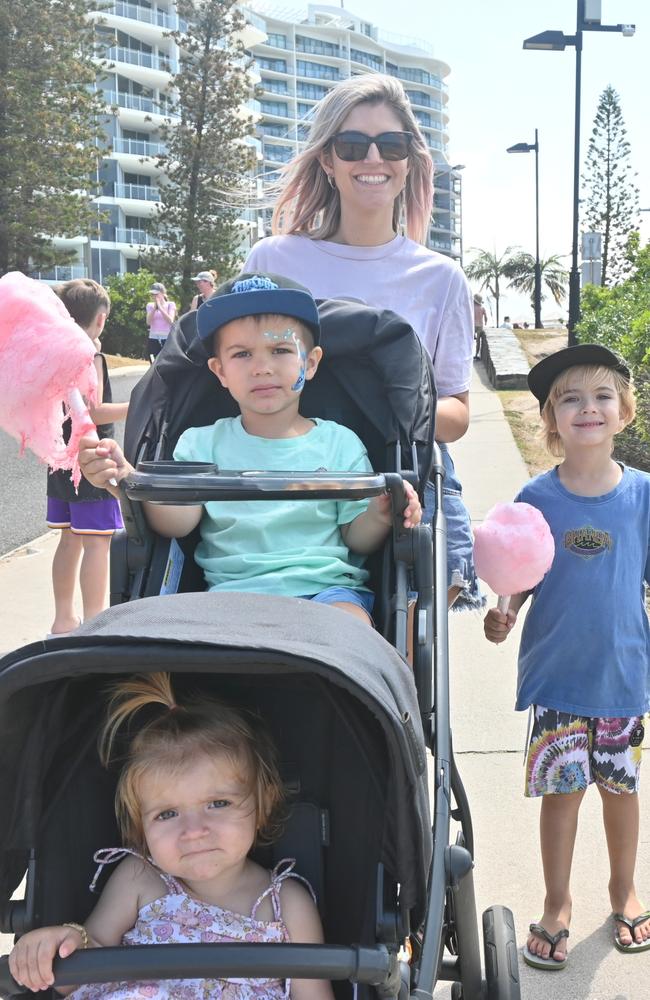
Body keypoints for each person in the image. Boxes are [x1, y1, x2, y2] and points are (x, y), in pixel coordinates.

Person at [243, 73, 480, 611]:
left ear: (410, 161)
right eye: (352, 145)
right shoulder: (274, 261)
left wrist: (381, 405)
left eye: (390, 144)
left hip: (402, 474)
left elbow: (458, 413)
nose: (372, 158)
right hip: (291, 475)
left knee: (412, 631)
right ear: (328, 160)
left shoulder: (440, 278)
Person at [78, 274, 421, 626]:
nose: (262, 367)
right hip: (231, 596)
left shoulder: (340, 443)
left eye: (281, 350)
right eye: (242, 354)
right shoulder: (201, 444)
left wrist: (382, 513)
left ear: (311, 362)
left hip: (326, 591)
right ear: (220, 370)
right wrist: (127, 480)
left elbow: (357, 538)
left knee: (352, 629)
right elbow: (177, 523)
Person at [9, 672, 333, 1000]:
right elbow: (88, 961)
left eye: (218, 803)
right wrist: (60, 944)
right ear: (141, 827)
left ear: (262, 805)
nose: (193, 831)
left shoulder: (286, 904)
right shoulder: (140, 878)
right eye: (167, 814)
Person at [483, 344, 650, 970]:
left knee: (622, 792)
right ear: (552, 421)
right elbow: (518, 572)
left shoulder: (642, 496)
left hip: (623, 674)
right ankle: (556, 904)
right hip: (557, 677)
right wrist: (505, 612)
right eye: (570, 398)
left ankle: (623, 889)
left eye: (602, 395)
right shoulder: (538, 496)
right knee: (563, 795)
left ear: (624, 412)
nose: (588, 407)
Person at [46, 279, 128, 637]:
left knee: (69, 538)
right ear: (101, 318)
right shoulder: (89, 354)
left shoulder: (55, 350)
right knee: (98, 540)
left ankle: (63, 621)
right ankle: (95, 623)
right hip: (91, 457)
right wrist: (135, 405)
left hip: (60, 455)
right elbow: (93, 412)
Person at [146, 282, 177, 361]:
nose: (154, 296)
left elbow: (170, 320)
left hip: (166, 338)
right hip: (153, 338)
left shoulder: (170, 304)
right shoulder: (150, 305)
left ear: (163, 293)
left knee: (167, 362)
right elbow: (148, 322)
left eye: (156, 294)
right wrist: (154, 308)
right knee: (153, 362)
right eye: (153, 294)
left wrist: (160, 308)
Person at [473, 294, 487, 359]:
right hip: (480, 325)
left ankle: (470, 353)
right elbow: (486, 317)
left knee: (470, 340)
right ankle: (476, 354)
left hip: (473, 325)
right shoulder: (482, 308)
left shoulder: (472, 307)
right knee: (478, 341)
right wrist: (486, 323)